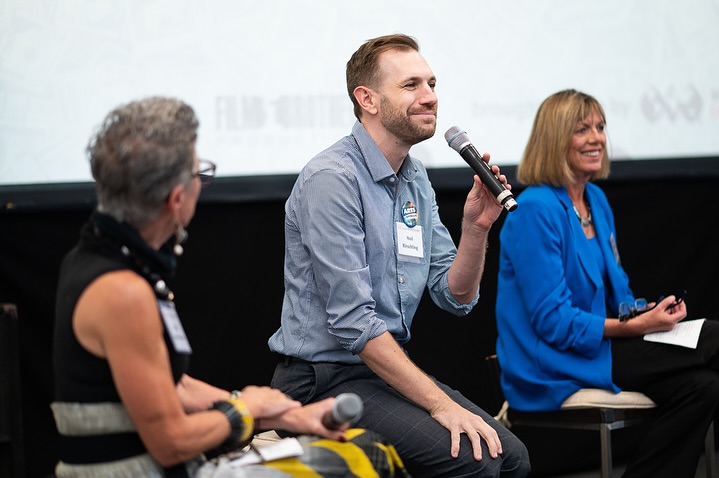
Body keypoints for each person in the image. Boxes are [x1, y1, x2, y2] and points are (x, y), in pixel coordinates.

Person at [51, 96, 409, 478]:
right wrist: (245, 410)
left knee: (364, 452)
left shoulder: (99, 259)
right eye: (199, 173)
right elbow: (170, 442)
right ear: (176, 199)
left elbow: (173, 387)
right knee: (365, 464)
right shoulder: (123, 292)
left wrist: (288, 415)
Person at [267, 33, 531, 477]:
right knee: (476, 463)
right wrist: (441, 405)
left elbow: (454, 296)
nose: (430, 97)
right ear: (367, 99)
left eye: (432, 84)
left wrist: (476, 228)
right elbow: (354, 322)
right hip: (320, 381)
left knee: (514, 459)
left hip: (379, 373)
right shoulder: (332, 178)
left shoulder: (414, 177)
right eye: (411, 85)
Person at [495, 88, 719, 477]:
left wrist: (647, 312)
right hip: (554, 361)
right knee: (714, 337)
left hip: (602, 345)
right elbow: (552, 321)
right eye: (582, 129)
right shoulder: (534, 209)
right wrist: (634, 327)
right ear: (555, 139)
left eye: (601, 127)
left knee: (702, 387)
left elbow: (619, 295)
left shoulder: (594, 199)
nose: (597, 138)